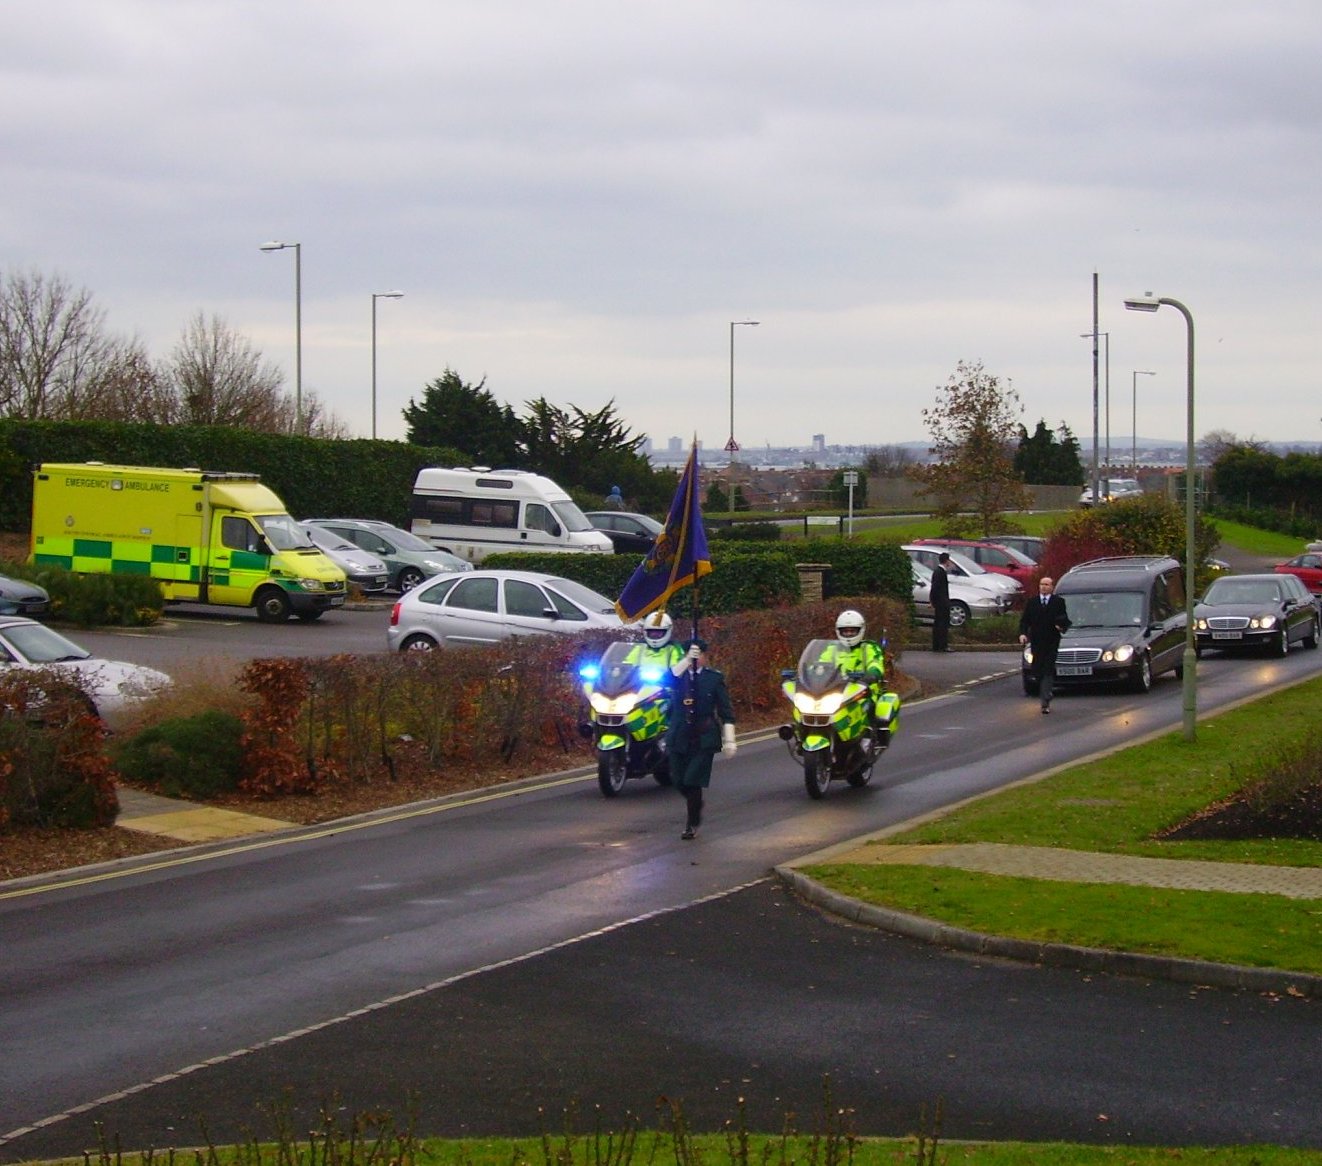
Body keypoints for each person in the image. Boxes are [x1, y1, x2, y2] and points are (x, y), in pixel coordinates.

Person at [666, 637, 736, 839]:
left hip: (703, 735)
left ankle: (692, 822)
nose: (697, 660)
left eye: (700, 656)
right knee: (678, 780)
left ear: (706, 657)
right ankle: (695, 802)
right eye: (693, 656)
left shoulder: (713, 678)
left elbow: (725, 711)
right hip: (679, 735)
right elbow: (666, 680)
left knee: (692, 780)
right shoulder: (678, 676)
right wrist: (686, 660)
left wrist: (729, 738)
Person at [1019, 575, 1071, 714]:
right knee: (1037, 669)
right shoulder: (1032, 602)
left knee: (1048, 669)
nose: (1044, 587)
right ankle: (1045, 691)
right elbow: (1025, 621)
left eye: (1047, 584)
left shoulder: (1058, 602)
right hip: (1036, 641)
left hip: (1051, 641)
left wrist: (1061, 627)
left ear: (1052, 587)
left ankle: (1045, 699)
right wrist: (1023, 634)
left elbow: (1064, 619)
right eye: (1042, 584)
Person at [833, 609, 886, 722]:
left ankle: (869, 734)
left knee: (867, 711)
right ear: (839, 631)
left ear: (860, 630)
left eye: (852, 631)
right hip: (836, 690)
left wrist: (872, 674)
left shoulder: (869, 648)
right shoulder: (832, 649)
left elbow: (875, 663)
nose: (848, 634)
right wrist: (809, 673)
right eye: (845, 631)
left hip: (863, 691)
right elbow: (820, 664)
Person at [931, 552, 953, 652]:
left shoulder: (938, 571)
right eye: (949, 560)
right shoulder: (940, 572)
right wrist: (934, 601)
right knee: (942, 624)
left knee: (938, 623)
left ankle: (937, 645)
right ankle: (942, 645)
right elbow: (935, 588)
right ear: (947, 561)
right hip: (942, 602)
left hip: (940, 602)